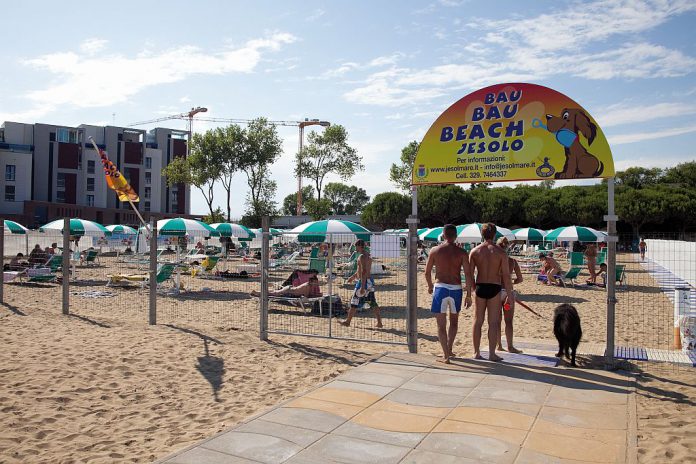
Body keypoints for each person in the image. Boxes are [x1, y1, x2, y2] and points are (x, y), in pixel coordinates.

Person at [424, 224, 473, 364]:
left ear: (443, 235)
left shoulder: (435, 250)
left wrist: (429, 286)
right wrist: (469, 294)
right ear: (456, 235)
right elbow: (468, 275)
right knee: (454, 322)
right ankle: (450, 349)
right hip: (456, 289)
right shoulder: (462, 252)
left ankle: (446, 355)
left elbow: (427, 273)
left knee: (441, 325)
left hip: (440, 288)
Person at [469, 223, 514, 361]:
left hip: (480, 286)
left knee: (478, 321)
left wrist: (470, 292)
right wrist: (510, 294)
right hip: (495, 287)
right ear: (495, 234)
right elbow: (506, 276)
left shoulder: (475, 251)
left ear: (482, 235)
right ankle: (492, 354)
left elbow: (470, 275)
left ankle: (476, 352)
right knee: (493, 322)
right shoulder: (501, 253)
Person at [340, 239, 383, 328]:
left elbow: (363, 272)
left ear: (360, 246)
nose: (355, 248)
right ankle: (379, 322)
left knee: (354, 301)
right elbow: (361, 271)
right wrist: (353, 277)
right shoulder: (367, 256)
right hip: (369, 281)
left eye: (356, 246)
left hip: (364, 282)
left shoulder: (362, 257)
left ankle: (348, 322)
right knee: (372, 302)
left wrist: (362, 286)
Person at [496, 237, 523, 354]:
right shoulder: (512, 261)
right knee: (509, 321)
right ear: (508, 248)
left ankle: (498, 345)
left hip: (496, 292)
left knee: (496, 321)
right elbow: (520, 279)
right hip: (508, 293)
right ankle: (510, 346)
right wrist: (512, 282)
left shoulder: (494, 261)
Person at [251, 275, 321, 298]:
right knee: (274, 293)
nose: (316, 284)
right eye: (315, 282)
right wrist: (317, 296)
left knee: (274, 292)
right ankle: (257, 293)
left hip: (290, 289)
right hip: (289, 290)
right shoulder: (307, 286)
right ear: (311, 281)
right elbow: (306, 296)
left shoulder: (308, 284)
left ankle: (258, 292)